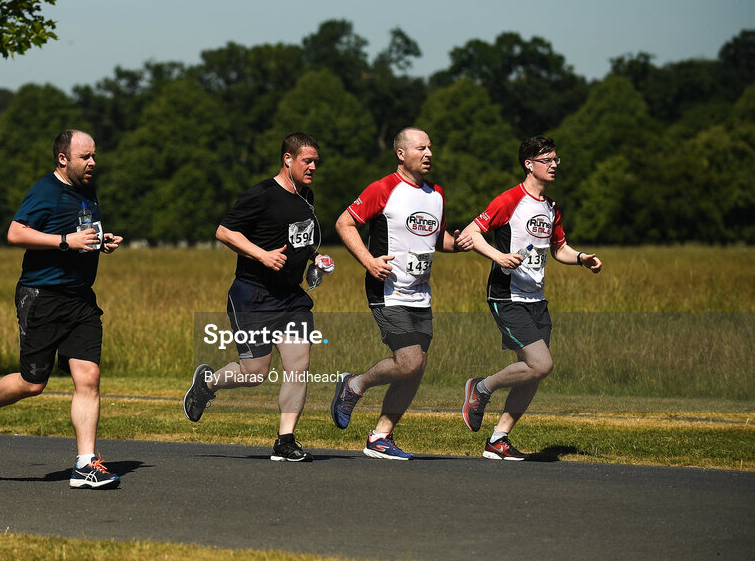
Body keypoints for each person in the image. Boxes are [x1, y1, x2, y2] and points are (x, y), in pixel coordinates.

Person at [0, 129, 124, 488]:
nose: (93, 162)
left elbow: (81, 231)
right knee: (33, 383)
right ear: (63, 159)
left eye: (94, 156)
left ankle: (84, 463)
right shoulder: (45, 191)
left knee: (89, 377)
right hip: (42, 296)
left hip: (80, 299)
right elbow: (15, 233)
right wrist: (66, 241)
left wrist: (100, 240)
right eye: (85, 157)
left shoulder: (87, 190)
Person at [183, 132, 332, 461]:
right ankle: (208, 384)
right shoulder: (262, 194)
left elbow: (300, 240)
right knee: (255, 372)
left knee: (299, 365)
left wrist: (314, 259)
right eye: (307, 161)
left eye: (316, 162)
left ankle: (286, 439)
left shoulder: (307, 196)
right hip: (253, 295)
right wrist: (261, 255)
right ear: (288, 159)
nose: (313, 167)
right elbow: (224, 231)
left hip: (291, 299)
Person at [456, 135, 602, 460]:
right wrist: (498, 256)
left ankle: (498, 440)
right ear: (529, 164)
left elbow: (559, 248)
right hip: (506, 296)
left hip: (537, 299)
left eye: (555, 160)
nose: (553, 166)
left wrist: (581, 259)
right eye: (547, 160)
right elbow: (470, 233)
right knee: (542, 364)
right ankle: (480, 388)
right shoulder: (509, 200)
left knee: (533, 373)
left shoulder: (551, 208)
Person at [330, 128, 465, 459]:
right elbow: (344, 224)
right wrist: (368, 261)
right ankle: (354, 385)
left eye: (431, 147)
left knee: (416, 367)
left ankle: (380, 437)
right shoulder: (383, 189)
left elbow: (435, 239)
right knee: (409, 361)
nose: (429, 153)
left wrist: (457, 243)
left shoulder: (436, 194)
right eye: (421, 148)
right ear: (401, 154)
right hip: (387, 288)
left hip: (420, 293)